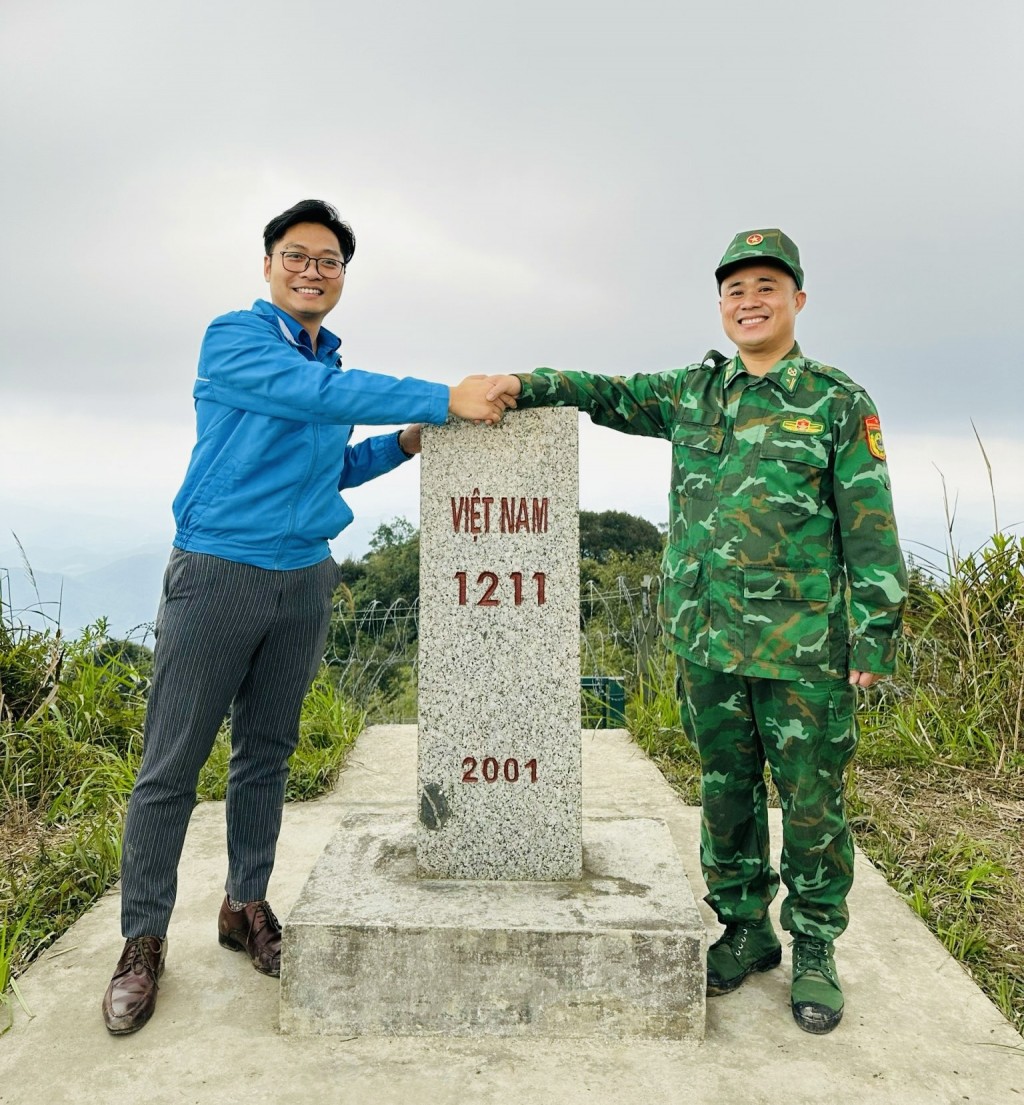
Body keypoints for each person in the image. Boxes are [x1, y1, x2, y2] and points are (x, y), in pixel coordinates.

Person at [484, 229, 908, 1034]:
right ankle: (744, 926)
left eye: (765, 288)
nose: (749, 302)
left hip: (803, 649)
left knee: (812, 798)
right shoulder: (694, 392)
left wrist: (873, 636)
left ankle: (814, 943)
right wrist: (524, 382)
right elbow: (603, 392)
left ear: (797, 301)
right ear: (721, 305)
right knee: (725, 790)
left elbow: (872, 526)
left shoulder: (836, 400)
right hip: (706, 639)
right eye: (735, 290)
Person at [102, 199, 509, 1035]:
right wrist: (443, 397)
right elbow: (305, 396)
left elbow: (330, 465)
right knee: (171, 763)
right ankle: (142, 938)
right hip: (218, 570)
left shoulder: (331, 362)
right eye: (298, 255)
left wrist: (398, 445)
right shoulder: (238, 341)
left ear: (342, 277)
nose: (313, 270)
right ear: (268, 265)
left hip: (303, 577)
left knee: (267, 754)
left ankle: (244, 901)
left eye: (329, 260)